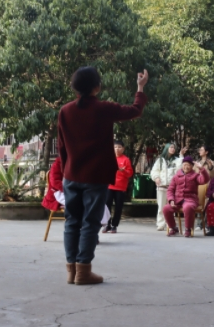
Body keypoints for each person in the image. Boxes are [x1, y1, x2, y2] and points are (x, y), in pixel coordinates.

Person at [57, 66, 148, 285]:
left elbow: (61, 147)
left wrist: (65, 171)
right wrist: (140, 87)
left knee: (71, 222)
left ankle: (71, 271)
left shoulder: (65, 111)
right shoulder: (104, 108)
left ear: (75, 87)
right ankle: (83, 271)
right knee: (90, 222)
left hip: (71, 175)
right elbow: (135, 110)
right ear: (97, 87)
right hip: (96, 176)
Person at [163, 156, 210, 237]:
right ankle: (173, 228)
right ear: (182, 165)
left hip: (190, 199)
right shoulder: (176, 176)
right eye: (184, 165)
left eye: (188, 165)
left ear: (192, 166)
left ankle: (188, 229)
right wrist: (171, 200)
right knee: (166, 208)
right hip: (177, 199)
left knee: (188, 207)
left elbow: (205, 180)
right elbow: (170, 190)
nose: (186, 167)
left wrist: (202, 169)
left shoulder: (195, 176)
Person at [151, 143, 186, 231]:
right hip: (161, 186)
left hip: (172, 187)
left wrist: (181, 156)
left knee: (171, 206)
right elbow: (154, 171)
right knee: (161, 206)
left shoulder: (176, 160)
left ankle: (169, 224)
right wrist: (156, 177)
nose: (173, 149)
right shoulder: (160, 160)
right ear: (166, 148)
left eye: (174, 148)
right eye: (171, 147)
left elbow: (180, 169)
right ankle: (160, 224)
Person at [103, 141, 133, 234]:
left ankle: (114, 225)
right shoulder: (109, 158)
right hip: (109, 186)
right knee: (107, 206)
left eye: (119, 147)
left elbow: (130, 173)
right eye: (115, 147)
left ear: (123, 149)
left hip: (120, 187)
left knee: (118, 207)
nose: (117, 149)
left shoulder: (126, 160)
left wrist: (123, 171)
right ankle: (107, 224)